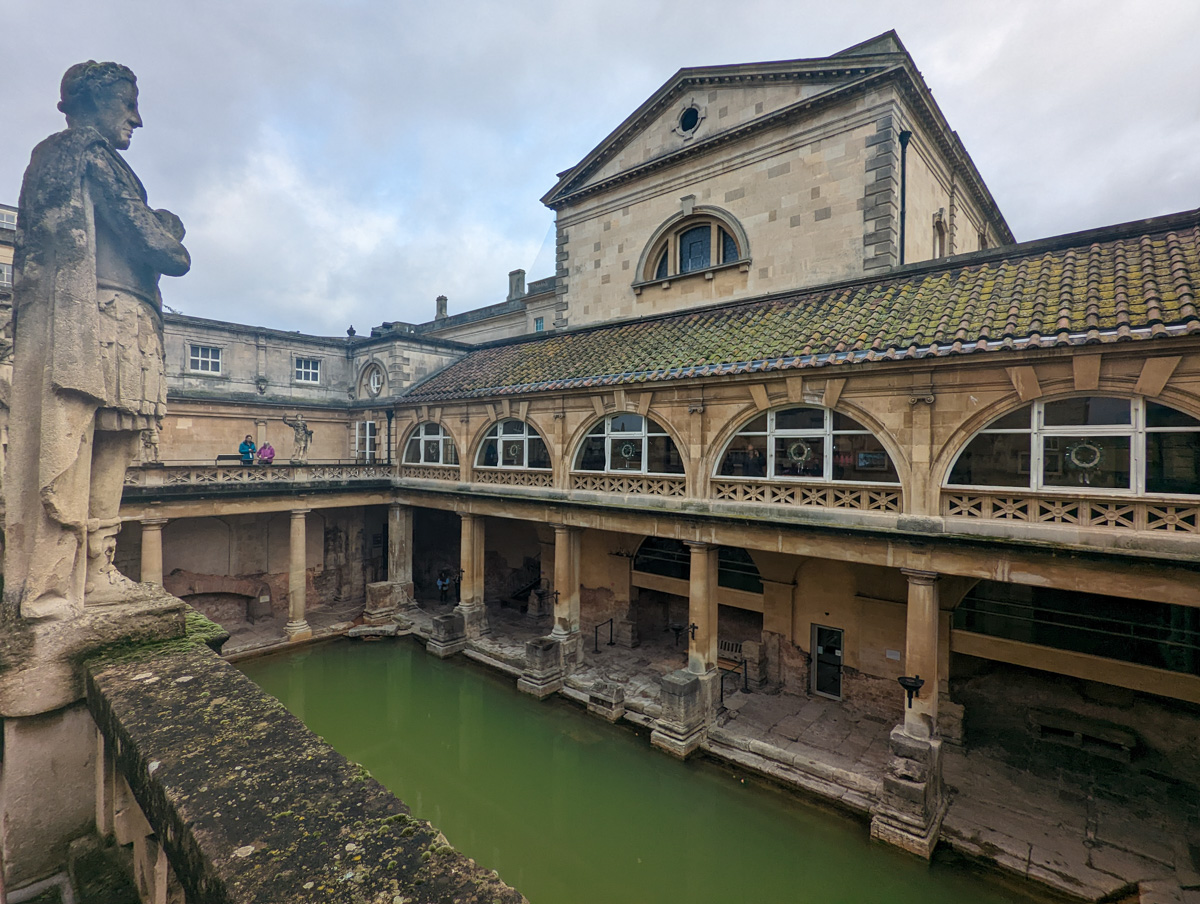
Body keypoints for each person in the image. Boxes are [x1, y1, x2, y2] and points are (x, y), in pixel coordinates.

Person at [7, 61, 190, 615]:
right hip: (107, 320)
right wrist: (169, 231)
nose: (136, 117)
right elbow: (168, 254)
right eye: (126, 102)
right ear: (91, 102)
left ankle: (91, 567)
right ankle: (80, 572)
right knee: (98, 437)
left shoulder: (70, 158)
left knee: (113, 437)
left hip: (120, 322)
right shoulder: (85, 155)